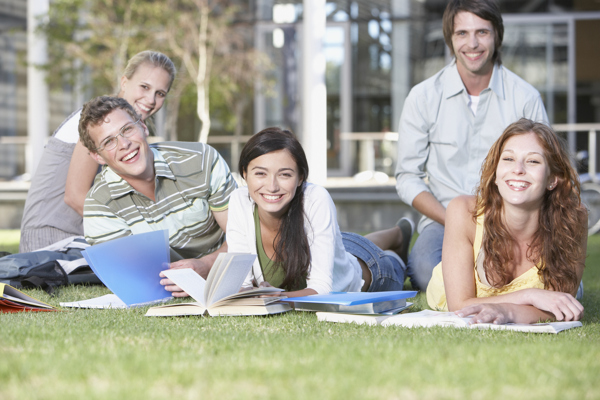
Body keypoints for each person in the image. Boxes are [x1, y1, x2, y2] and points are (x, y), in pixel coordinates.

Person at [395, 0, 549, 291]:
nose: (473, 43)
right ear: (450, 39)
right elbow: (407, 177)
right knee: (427, 271)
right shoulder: (423, 97)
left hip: (510, 218)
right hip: (442, 219)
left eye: (482, 32)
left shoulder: (526, 97)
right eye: (462, 33)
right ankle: (401, 239)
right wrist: (455, 219)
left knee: (551, 278)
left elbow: (544, 166)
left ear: (496, 36)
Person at [426, 119, 586, 323]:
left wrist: (509, 311)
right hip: (444, 284)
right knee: (411, 267)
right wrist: (530, 295)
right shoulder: (463, 210)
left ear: (552, 179)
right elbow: (459, 303)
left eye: (533, 161)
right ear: (495, 174)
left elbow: (561, 307)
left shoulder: (573, 218)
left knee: (572, 290)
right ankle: (396, 241)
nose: (518, 169)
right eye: (508, 159)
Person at [226, 127, 414, 297]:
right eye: (260, 173)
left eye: (285, 174)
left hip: (369, 271)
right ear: (244, 173)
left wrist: (279, 298)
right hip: (335, 248)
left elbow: (322, 289)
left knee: (395, 265)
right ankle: (397, 234)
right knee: (348, 247)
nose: (272, 186)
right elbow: (241, 283)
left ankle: (399, 237)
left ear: (300, 177)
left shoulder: (316, 199)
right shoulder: (239, 200)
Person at [79, 96, 237, 296]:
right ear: (97, 156)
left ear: (143, 127)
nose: (124, 144)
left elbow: (242, 237)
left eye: (127, 129)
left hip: (228, 270)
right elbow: (134, 279)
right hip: (167, 288)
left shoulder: (201, 161)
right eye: (109, 141)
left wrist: (206, 266)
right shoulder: (99, 205)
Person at [20, 50, 176, 252]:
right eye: (144, 87)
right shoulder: (99, 121)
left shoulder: (126, 127)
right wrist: (135, 237)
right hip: (52, 239)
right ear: (124, 82)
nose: (151, 99)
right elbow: (75, 197)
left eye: (160, 93)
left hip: (81, 237)